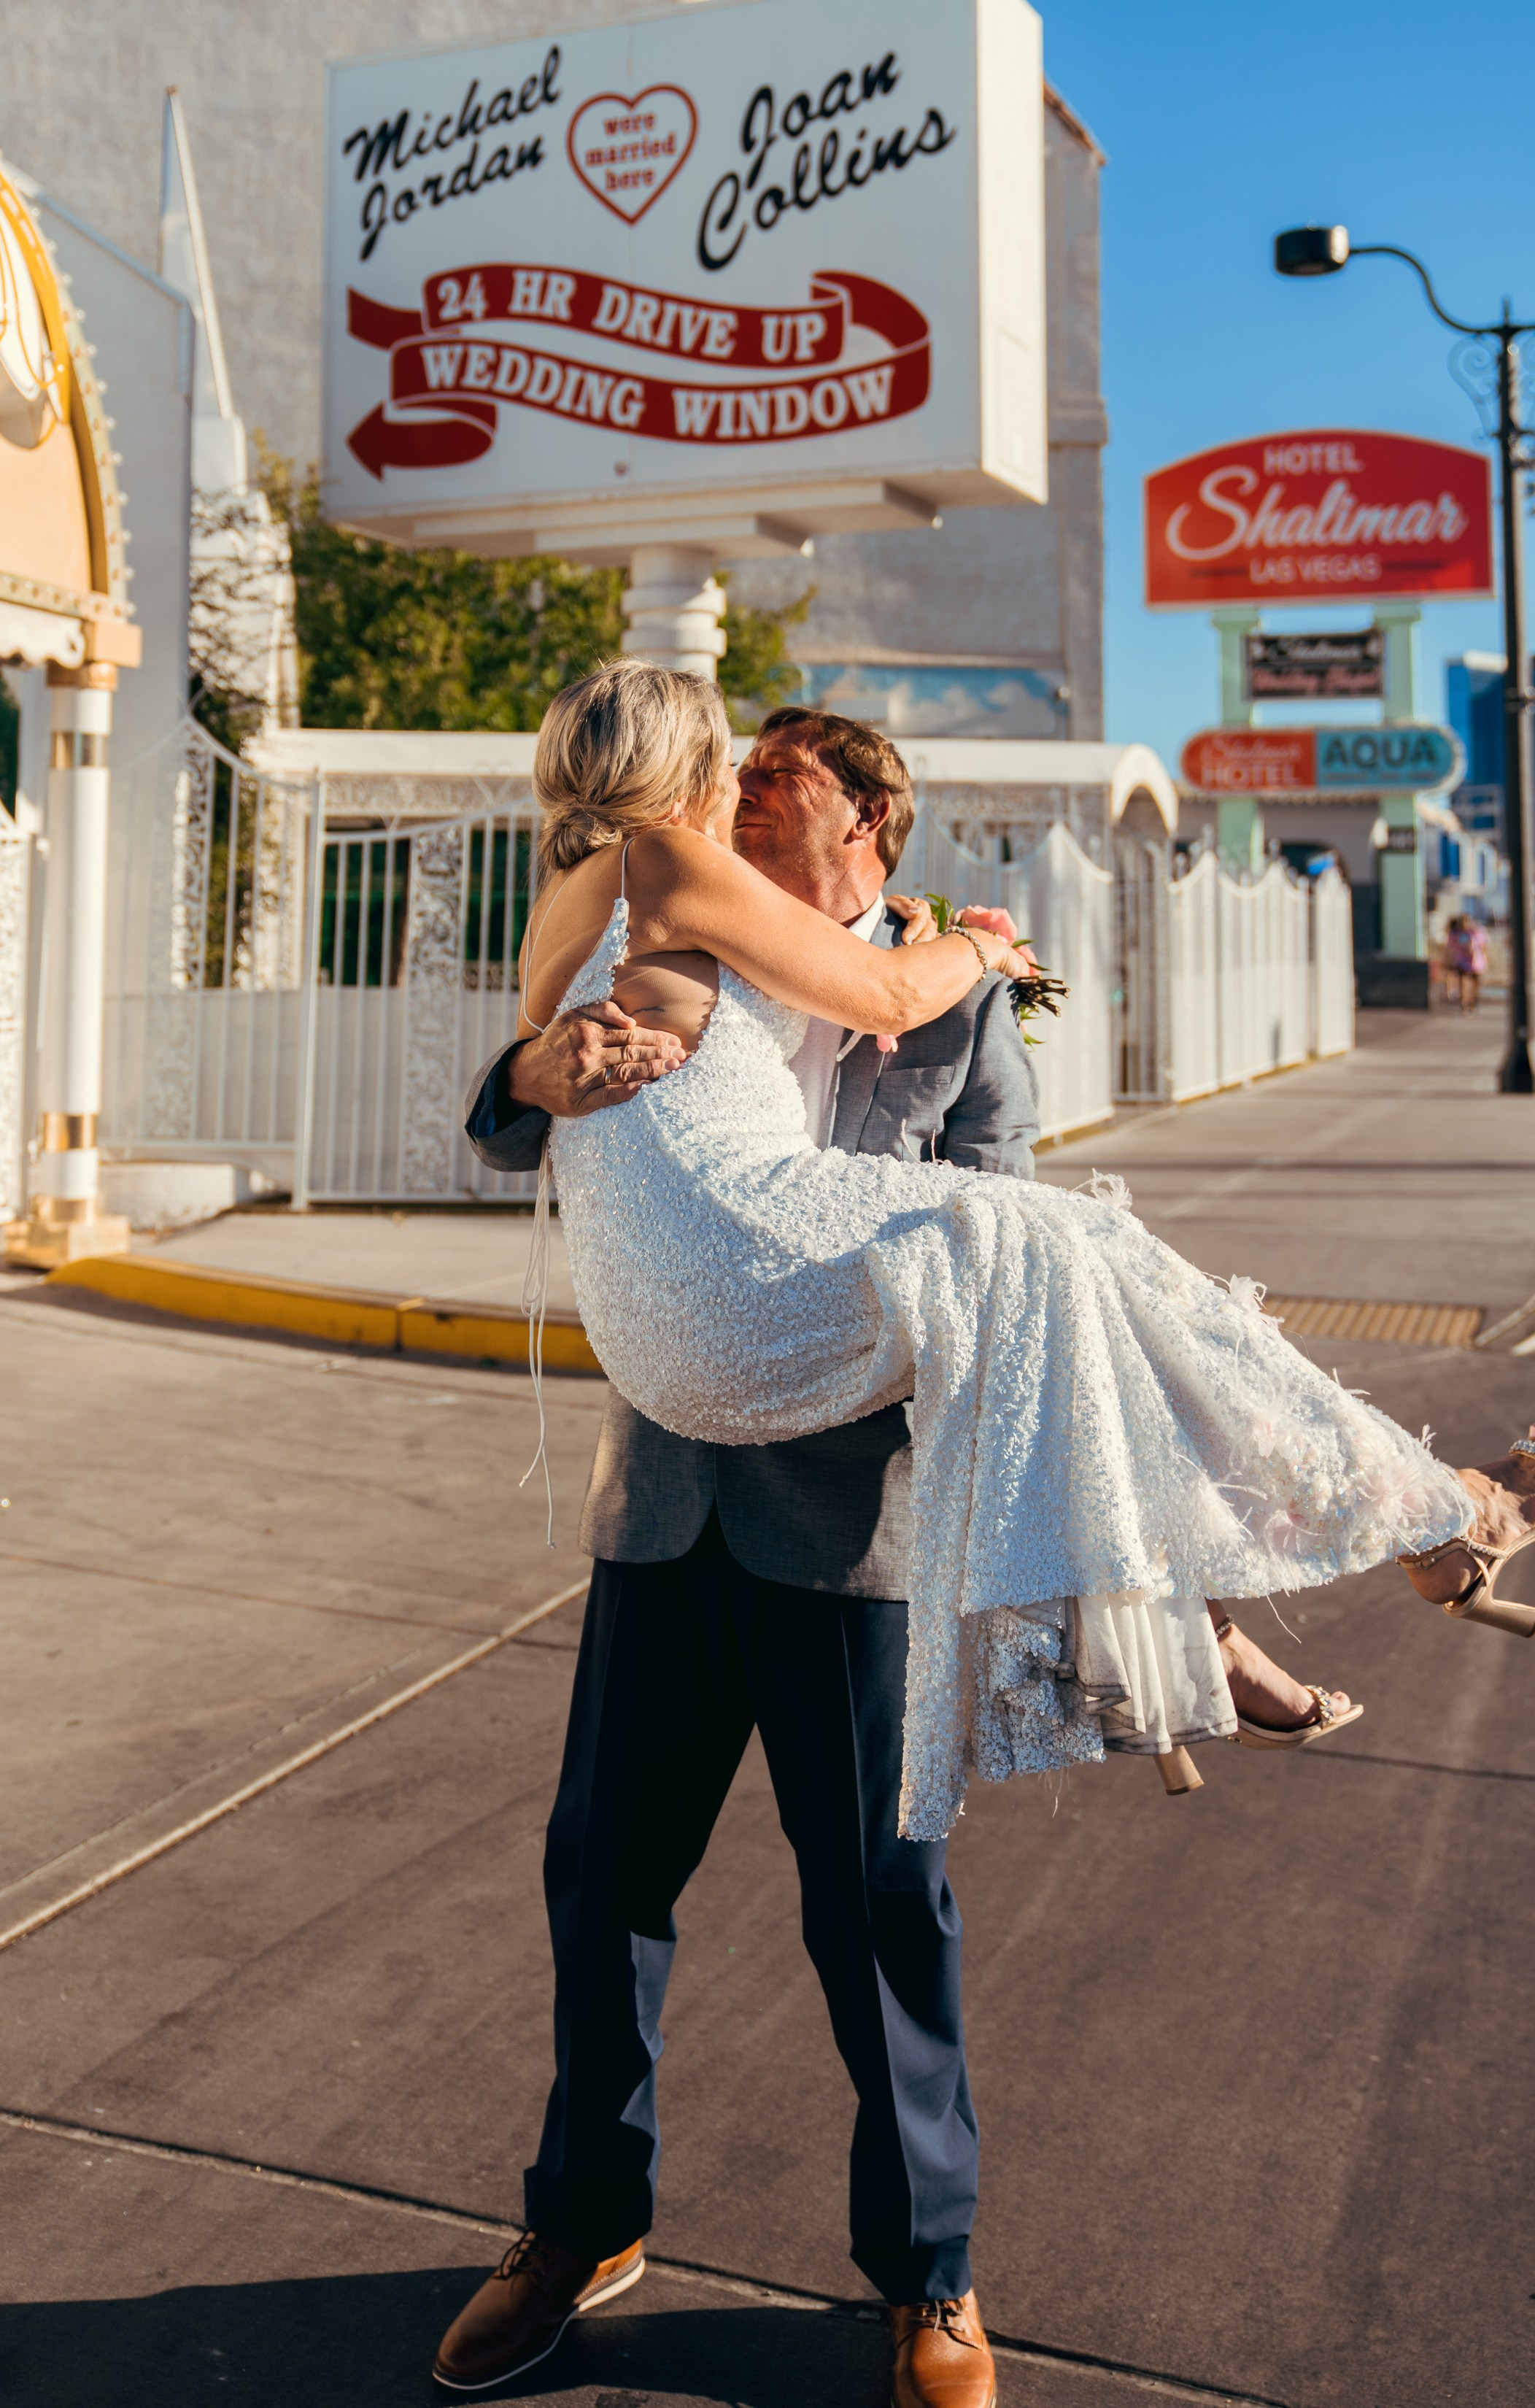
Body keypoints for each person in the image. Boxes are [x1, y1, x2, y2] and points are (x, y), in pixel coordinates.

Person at [434, 667, 1535, 2405]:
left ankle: (928, 2277)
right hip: (666, 1502)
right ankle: (579, 2222)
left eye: (782, 779)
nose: (747, 795)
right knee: (600, 1877)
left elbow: (998, 1203)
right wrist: (530, 1062)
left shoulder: (950, 995)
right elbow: (505, 1113)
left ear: (862, 823)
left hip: (847, 1516)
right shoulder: (637, 896)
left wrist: (960, 967)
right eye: (740, 765)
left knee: (878, 1908)